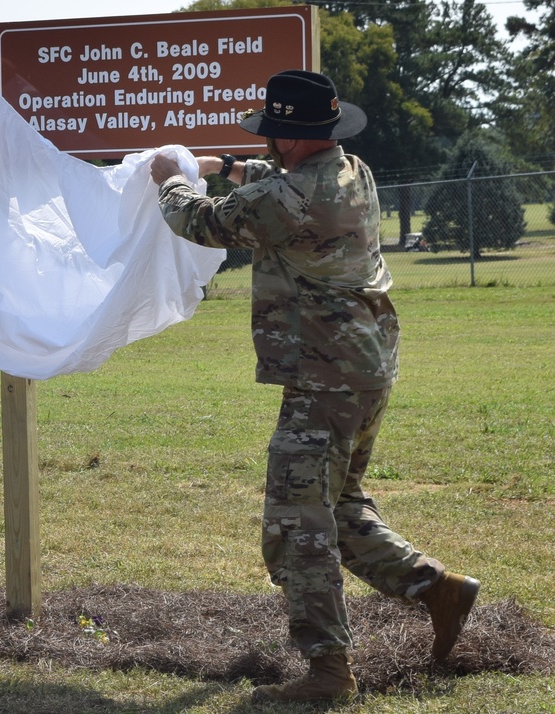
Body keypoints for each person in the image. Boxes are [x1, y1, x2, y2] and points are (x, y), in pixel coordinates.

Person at [150, 70, 480, 702]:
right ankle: (436, 587)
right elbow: (273, 187)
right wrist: (227, 164)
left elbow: (201, 222)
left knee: (295, 523)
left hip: (324, 375)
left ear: (290, 139)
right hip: (366, 363)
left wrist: (169, 175)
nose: (268, 143)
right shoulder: (350, 168)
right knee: (340, 503)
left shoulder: (289, 199)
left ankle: (329, 672)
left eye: (273, 133)